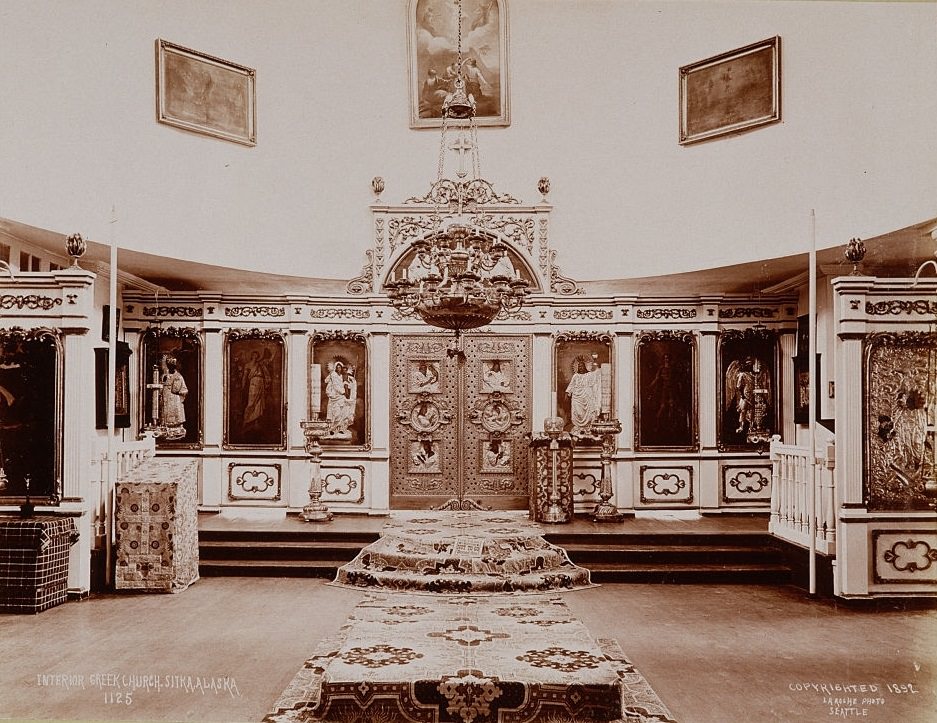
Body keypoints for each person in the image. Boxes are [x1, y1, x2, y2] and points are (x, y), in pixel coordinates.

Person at [565, 355, 602, 436]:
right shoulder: (575, 376)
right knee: (577, 413)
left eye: (582, 366)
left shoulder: (590, 375)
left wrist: (597, 366)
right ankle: (578, 428)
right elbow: (571, 385)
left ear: (585, 366)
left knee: (589, 412)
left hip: (587, 395)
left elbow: (596, 376)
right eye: (579, 366)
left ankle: (588, 428)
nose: (580, 367)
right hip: (577, 397)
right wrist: (568, 393)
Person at [159, 354, 187, 439]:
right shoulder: (164, 376)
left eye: (172, 365)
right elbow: (160, 387)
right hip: (166, 400)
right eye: (169, 365)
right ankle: (166, 431)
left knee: (176, 419)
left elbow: (184, 389)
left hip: (175, 401)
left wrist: (179, 392)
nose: (171, 367)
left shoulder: (179, 377)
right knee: (165, 417)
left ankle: (177, 431)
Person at [241, 350, 269, 433]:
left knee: (259, 403)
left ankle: (256, 422)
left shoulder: (260, 364)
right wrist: (242, 386)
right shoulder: (248, 365)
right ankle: (245, 420)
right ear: (252, 355)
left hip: (261, 383)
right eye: (254, 354)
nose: (255, 356)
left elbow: (266, 374)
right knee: (251, 403)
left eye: (257, 355)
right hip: (253, 383)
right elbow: (245, 376)